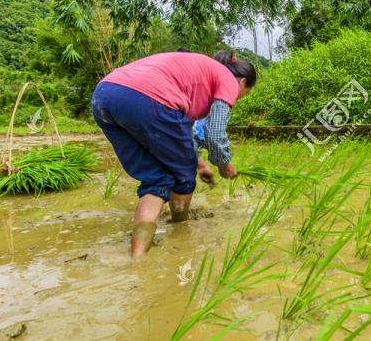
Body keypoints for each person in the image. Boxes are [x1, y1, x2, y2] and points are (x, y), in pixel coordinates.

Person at [91, 50, 256, 257]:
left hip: (104, 96)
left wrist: (200, 163)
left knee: (157, 178)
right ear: (242, 82)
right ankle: (180, 231)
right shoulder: (228, 80)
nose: (238, 98)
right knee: (183, 176)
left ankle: (137, 258)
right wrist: (224, 164)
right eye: (245, 94)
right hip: (148, 99)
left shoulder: (197, 73)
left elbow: (176, 133)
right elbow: (213, 132)